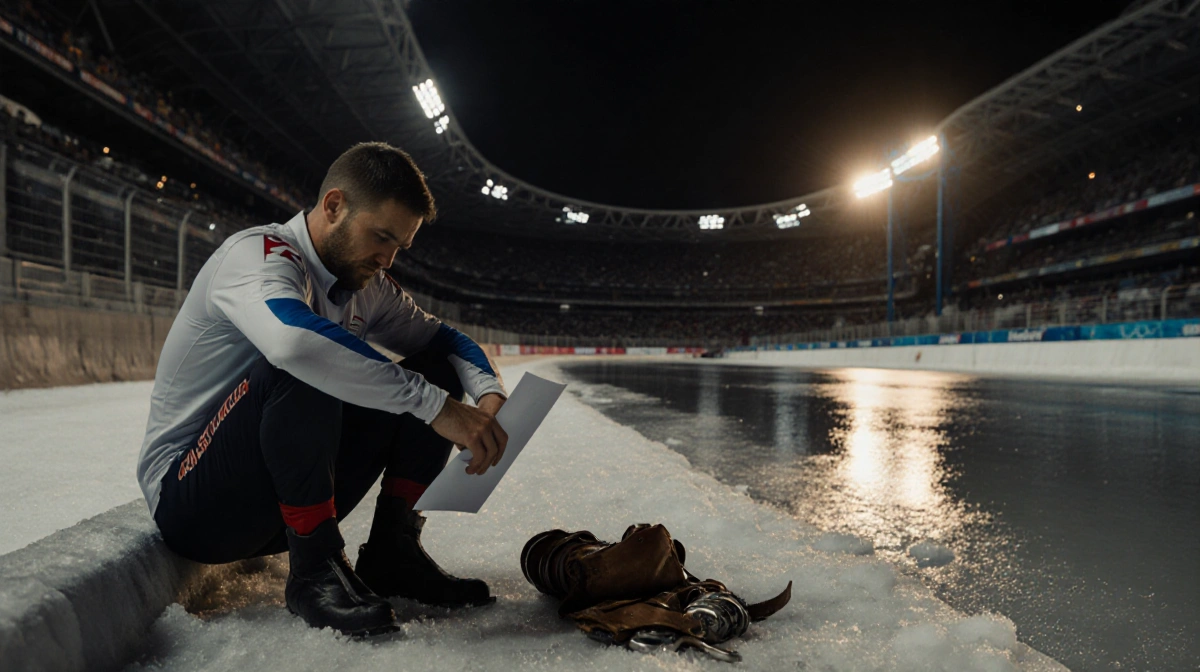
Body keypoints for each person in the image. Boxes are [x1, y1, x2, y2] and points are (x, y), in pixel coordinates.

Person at [137, 142, 509, 636]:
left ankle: (394, 550)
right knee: (304, 361)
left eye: (400, 245)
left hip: (276, 506)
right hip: (196, 504)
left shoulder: (367, 286)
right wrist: (436, 407)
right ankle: (313, 569)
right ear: (334, 206)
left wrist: (488, 397)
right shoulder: (257, 254)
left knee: (435, 364)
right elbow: (292, 342)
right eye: (381, 237)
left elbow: (447, 340)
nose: (388, 258)